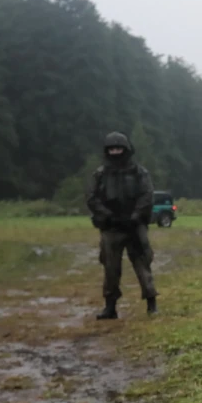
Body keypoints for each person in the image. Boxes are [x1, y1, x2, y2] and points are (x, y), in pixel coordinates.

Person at [86, 132, 157, 320]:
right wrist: (108, 216)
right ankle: (110, 307)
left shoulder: (140, 172)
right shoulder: (100, 174)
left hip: (135, 225)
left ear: (126, 150)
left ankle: (151, 302)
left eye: (118, 149)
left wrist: (135, 216)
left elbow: (147, 195)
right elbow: (92, 198)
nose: (115, 152)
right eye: (112, 149)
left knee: (143, 263)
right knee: (110, 268)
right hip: (111, 227)